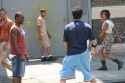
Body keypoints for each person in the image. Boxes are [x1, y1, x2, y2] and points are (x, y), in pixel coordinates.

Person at [60, 6, 97, 83]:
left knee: (63, 76)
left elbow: (65, 43)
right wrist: (93, 50)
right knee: (88, 74)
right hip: (83, 53)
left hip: (71, 54)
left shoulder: (67, 27)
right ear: (81, 15)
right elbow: (94, 41)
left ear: (72, 15)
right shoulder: (87, 26)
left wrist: (68, 52)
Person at [10, 12, 29, 83]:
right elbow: (14, 43)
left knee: (20, 75)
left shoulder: (19, 28)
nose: (23, 20)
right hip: (17, 55)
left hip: (21, 54)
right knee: (16, 75)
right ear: (16, 18)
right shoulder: (14, 29)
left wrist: (25, 53)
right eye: (22, 18)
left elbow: (21, 43)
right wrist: (21, 55)